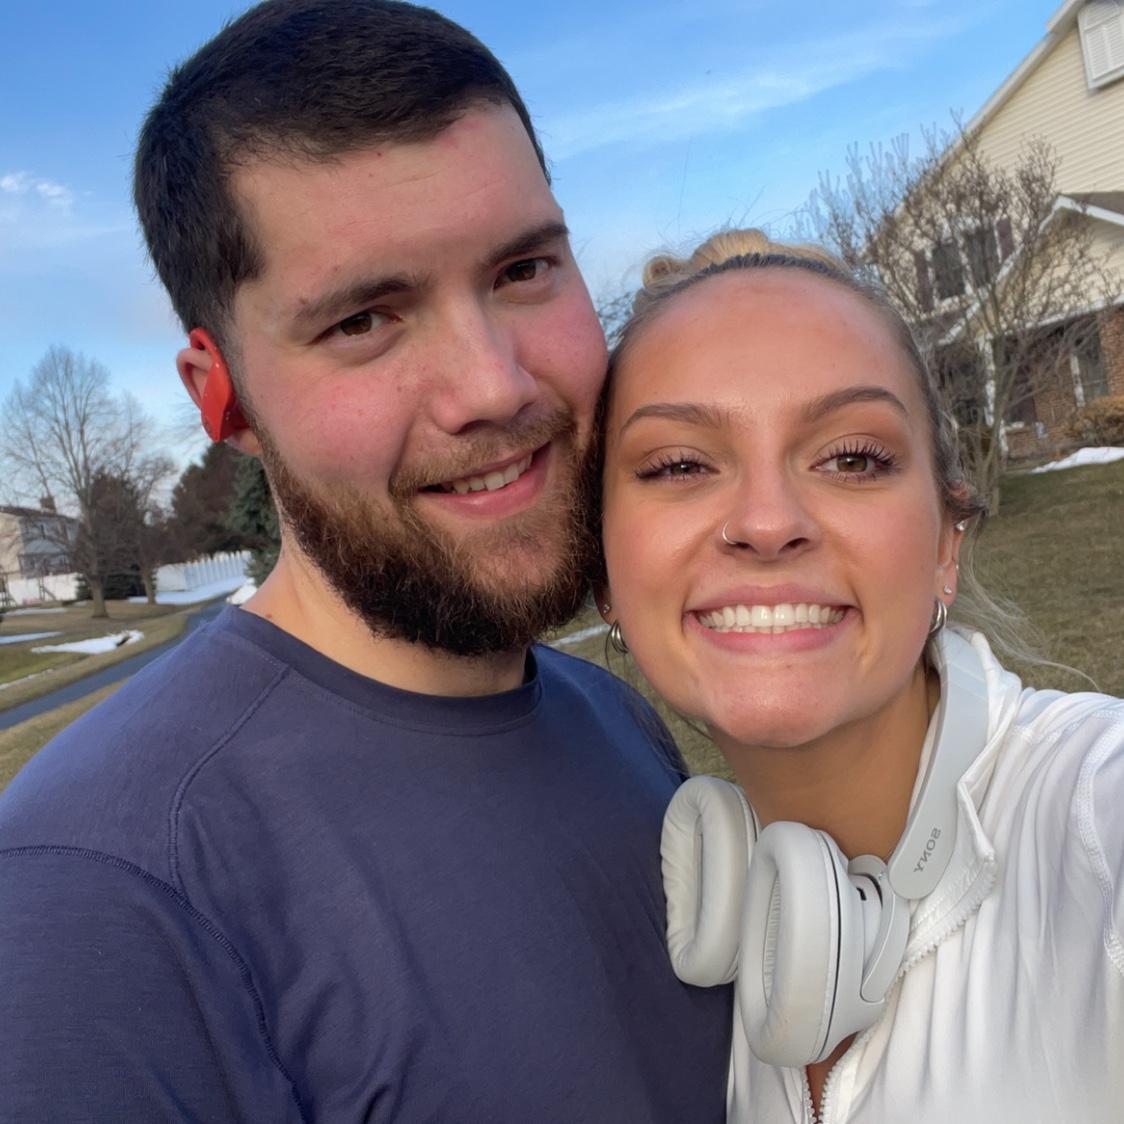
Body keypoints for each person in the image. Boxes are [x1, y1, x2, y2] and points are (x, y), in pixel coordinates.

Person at [0, 3, 731, 1119]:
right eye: (363, 321)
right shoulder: (99, 896)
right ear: (221, 395)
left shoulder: (615, 717)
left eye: (523, 268)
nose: (493, 386)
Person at [594, 228, 1124, 1123]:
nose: (768, 522)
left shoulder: (1093, 819)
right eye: (679, 464)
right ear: (605, 573)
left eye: (852, 457)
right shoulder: (703, 959)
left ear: (947, 541)